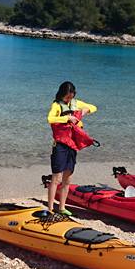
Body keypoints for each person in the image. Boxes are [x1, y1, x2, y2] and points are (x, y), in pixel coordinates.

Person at [46, 81, 97, 216]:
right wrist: (67, 118)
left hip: (72, 145)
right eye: (67, 97)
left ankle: (62, 208)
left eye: (71, 96)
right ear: (61, 94)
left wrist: (85, 111)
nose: (69, 99)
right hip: (60, 145)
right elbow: (50, 119)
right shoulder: (56, 105)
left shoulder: (76, 103)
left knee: (68, 178)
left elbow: (93, 107)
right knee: (56, 177)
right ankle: (50, 208)